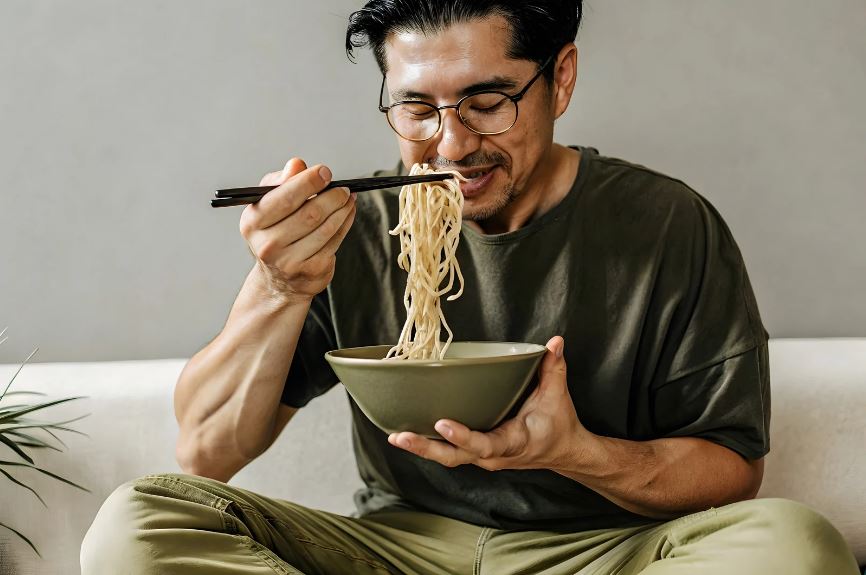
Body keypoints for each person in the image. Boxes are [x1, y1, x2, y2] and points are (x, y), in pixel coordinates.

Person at [81, 1, 859, 573]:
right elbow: (204, 449)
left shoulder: (666, 224)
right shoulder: (358, 226)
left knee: (796, 548)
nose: (450, 145)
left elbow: (730, 467)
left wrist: (576, 452)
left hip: (604, 554)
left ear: (562, 78)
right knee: (135, 526)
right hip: (397, 550)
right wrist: (278, 285)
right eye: (416, 107)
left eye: (487, 103)